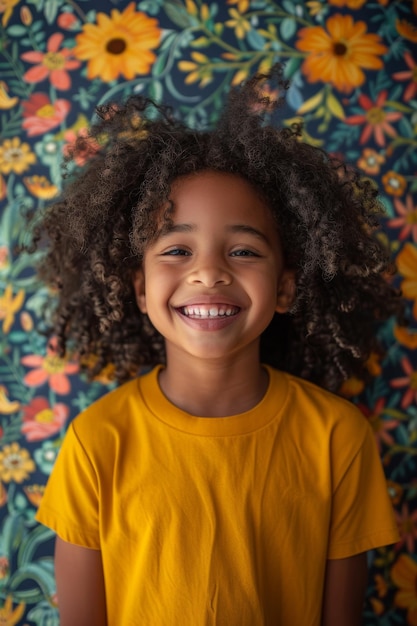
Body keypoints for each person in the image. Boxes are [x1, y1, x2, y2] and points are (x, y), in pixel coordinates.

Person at [34, 66, 402, 626]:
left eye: (245, 252)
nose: (209, 273)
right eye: (177, 251)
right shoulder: (96, 443)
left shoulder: (338, 439)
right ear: (139, 288)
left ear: (285, 288)